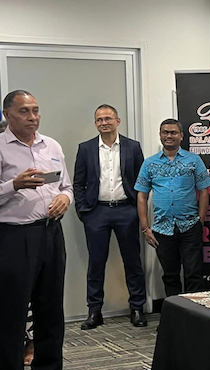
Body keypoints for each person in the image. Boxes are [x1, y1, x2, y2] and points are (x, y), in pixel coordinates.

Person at [0, 90, 73, 370]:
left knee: (51, 310)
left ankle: (49, 369)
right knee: (11, 313)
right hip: (14, 238)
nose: (32, 117)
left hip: (51, 235)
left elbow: (65, 186)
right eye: (24, 111)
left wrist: (65, 199)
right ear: (7, 115)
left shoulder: (51, 146)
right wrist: (13, 185)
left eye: (36, 110)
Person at [74, 104, 147, 330]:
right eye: (99, 120)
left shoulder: (132, 147)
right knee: (96, 263)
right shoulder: (85, 148)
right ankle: (94, 311)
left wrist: (138, 210)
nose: (103, 122)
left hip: (127, 210)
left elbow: (141, 181)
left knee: (132, 261)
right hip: (97, 212)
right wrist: (83, 210)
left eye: (108, 118)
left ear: (118, 121)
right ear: (95, 123)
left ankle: (137, 308)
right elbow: (78, 183)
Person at [135, 119, 210, 297]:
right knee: (170, 276)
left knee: (194, 275)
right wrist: (146, 227)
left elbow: (204, 191)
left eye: (173, 132)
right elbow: (142, 196)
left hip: (190, 226)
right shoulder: (149, 163)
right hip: (162, 229)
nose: (169, 136)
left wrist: (200, 221)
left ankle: (195, 318)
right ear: (160, 135)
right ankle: (173, 321)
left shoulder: (194, 160)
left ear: (181, 136)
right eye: (165, 132)